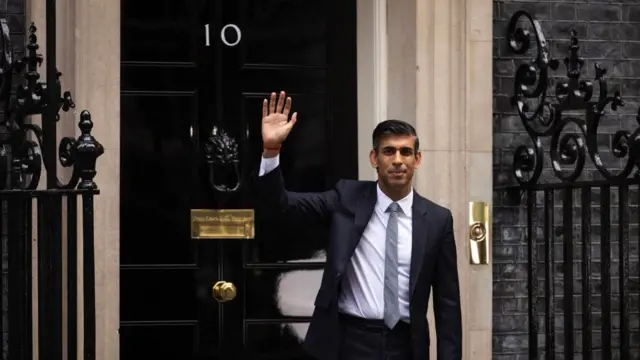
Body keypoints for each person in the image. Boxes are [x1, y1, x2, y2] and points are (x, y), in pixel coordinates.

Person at [256, 91, 462, 360]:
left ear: (417, 160)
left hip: (406, 345)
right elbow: (280, 205)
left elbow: (447, 305)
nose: (398, 160)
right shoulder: (346, 199)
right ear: (374, 159)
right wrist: (271, 150)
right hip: (349, 342)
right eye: (388, 151)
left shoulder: (437, 220)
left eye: (406, 152)